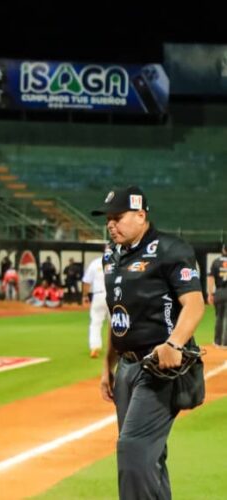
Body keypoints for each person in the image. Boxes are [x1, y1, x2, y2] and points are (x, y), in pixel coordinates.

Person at [92, 186, 205, 499]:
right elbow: (118, 314)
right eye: (108, 219)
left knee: (133, 450)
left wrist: (175, 344)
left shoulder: (171, 249)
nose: (110, 224)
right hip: (127, 367)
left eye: (117, 217)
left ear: (141, 215)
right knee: (148, 458)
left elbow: (195, 304)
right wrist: (107, 366)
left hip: (160, 368)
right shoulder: (111, 255)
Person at [82, 254, 109, 358]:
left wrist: (85, 295)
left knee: (95, 323)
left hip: (98, 295)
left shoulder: (95, 262)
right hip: (114, 295)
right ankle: (118, 348)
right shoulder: (118, 260)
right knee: (116, 324)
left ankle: (95, 347)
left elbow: (86, 281)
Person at [208, 243, 227, 349]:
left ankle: (217, 342)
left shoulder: (216, 262)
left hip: (219, 292)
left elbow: (210, 278)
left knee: (219, 317)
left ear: (223, 250)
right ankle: (225, 343)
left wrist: (210, 293)